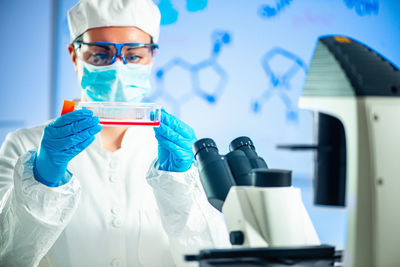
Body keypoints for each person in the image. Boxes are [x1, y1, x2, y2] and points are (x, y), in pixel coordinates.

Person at [0, 0, 230, 266]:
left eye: (133, 56)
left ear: (152, 57)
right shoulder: (25, 145)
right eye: (100, 55)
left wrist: (180, 188)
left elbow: (211, 256)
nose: (118, 67)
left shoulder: (177, 151)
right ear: (75, 56)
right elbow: (7, 255)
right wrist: (40, 180)